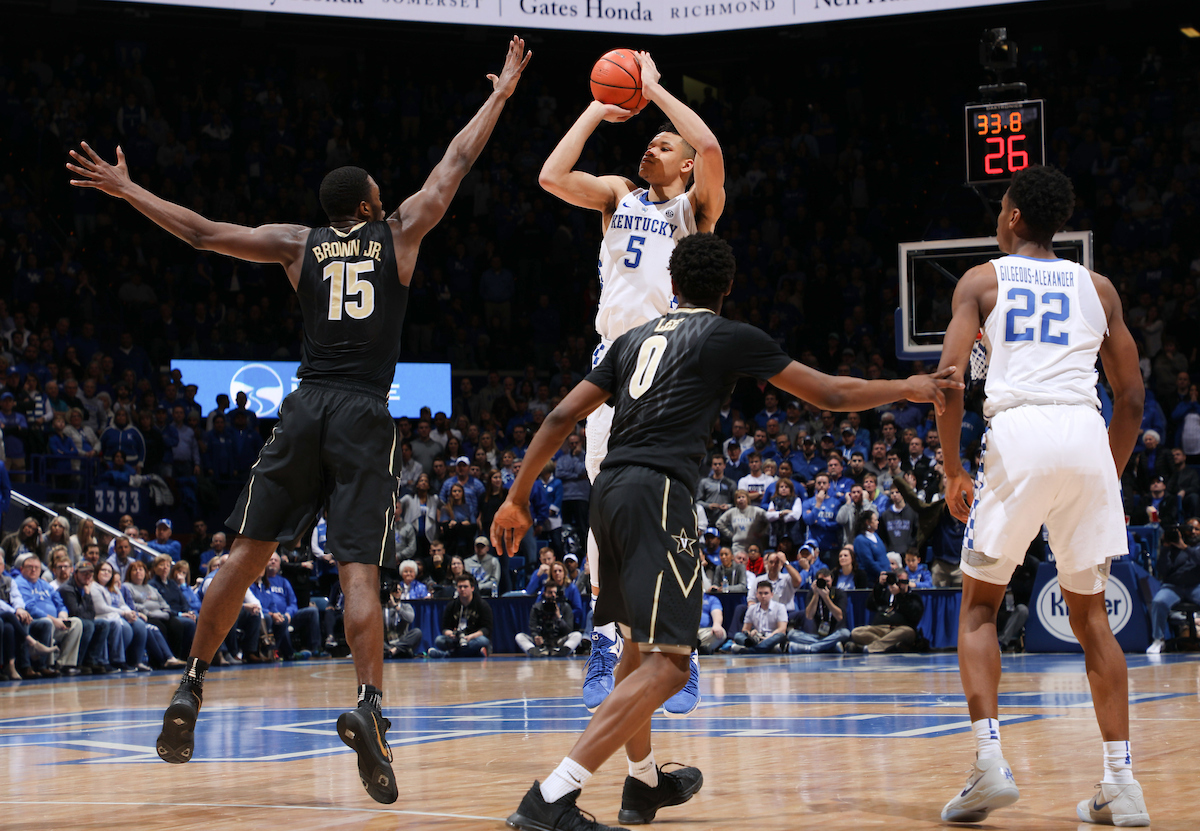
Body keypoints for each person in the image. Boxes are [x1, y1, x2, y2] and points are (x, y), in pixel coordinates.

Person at [68, 38, 531, 802]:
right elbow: (454, 162)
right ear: (367, 206)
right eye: (380, 191)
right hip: (361, 412)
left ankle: (190, 683)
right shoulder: (400, 233)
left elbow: (199, 231)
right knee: (358, 569)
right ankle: (371, 706)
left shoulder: (296, 244)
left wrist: (129, 189)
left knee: (246, 555)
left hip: (305, 403)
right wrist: (501, 95)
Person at [491, 232, 957, 831]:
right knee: (670, 664)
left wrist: (517, 496)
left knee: (635, 650)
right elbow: (831, 393)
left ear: (673, 284)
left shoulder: (631, 339)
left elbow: (560, 417)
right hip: (659, 493)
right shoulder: (728, 334)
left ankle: (643, 786)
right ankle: (551, 797)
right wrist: (908, 386)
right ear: (727, 288)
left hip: (609, 492)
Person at [934, 165, 1149, 825]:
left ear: (1016, 217)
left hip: (1020, 430)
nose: (999, 216)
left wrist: (951, 471)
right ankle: (1122, 782)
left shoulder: (982, 279)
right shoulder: (1099, 286)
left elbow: (949, 383)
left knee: (978, 610)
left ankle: (989, 762)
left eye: (1001, 206)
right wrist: (1105, 472)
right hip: (1086, 431)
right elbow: (1133, 397)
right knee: (1093, 621)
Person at [539, 49, 726, 719]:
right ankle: (605, 637)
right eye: (650, 134)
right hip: (614, 361)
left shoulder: (697, 210)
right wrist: (597, 106)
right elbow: (551, 175)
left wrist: (655, 89)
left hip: (670, 363)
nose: (654, 140)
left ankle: (685, 647)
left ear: (682, 165)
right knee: (606, 511)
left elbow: (706, 143)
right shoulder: (617, 194)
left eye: (663, 141)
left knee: (672, 508)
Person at [1146, 517, 1200, 654]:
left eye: (1197, 529)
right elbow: (1162, 570)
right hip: (1173, 586)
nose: (1193, 532)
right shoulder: (1173, 546)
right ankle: (1158, 640)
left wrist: (1184, 547)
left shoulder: (1193, 547)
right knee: (1158, 602)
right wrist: (1165, 548)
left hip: (1195, 586)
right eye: (1190, 529)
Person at [847, 569, 924, 654]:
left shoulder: (913, 597)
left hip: (899, 630)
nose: (898, 585)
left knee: (908, 632)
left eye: (901, 582)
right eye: (895, 581)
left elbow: (914, 615)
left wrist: (899, 595)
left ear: (907, 582)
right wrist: (879, 585)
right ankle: (890, 647)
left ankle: (867, 648)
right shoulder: (886, 594)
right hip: (880, 629)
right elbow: (870, 605)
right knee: (856, 632)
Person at [787, 567, 851, 654]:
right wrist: (816, 595)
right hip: (816, 636)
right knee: (792, 634)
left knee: (845, 633)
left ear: (832, 580)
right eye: (821, 581)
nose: (824, 584)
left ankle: (811, 648)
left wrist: (826, 598)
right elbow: (809, 616)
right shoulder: (812, 593)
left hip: (834, 634)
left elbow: (839, 617)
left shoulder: (839, 593)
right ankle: (829, 647)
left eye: (827, 581)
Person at [427, 574, 493, 658]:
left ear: (472, 588)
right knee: (439, 640)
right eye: (460, 587)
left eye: (465, 587)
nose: (462, 589)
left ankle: (446, 655)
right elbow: (445, 628)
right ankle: (476, 654)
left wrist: (470, 637)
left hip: (474, 638)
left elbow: (486, 629)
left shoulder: (482, 605)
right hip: (456, 640)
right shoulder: (451, 605)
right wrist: (452, 634)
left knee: (483, 641)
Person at [516, 581, 581, 657]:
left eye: (554, 593)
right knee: (519, 636)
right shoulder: (537, 607)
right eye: (550, 593)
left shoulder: (565, 607)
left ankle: (561, 652)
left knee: (577, 635)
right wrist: (536, 637)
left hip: (558, 641)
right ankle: (535, 652)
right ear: (544, 593)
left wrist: (559, 617)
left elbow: (568, 630)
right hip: (542, 642)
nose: (552, 595)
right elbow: (532, 626)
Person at [731, 580, 788, 653]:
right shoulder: (752, 608)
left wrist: (767, 638)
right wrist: (750, 633)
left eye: (766, 593)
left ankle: (749, 650)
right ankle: (763, 649)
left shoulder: (780, 607)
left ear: (772, 595)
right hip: (756, 638)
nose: (763, 596)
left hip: (771, 637)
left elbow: (782, 629)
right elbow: (745, 629)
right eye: (760, 593)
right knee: (737, 636)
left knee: (780, 636)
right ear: (756, 594)